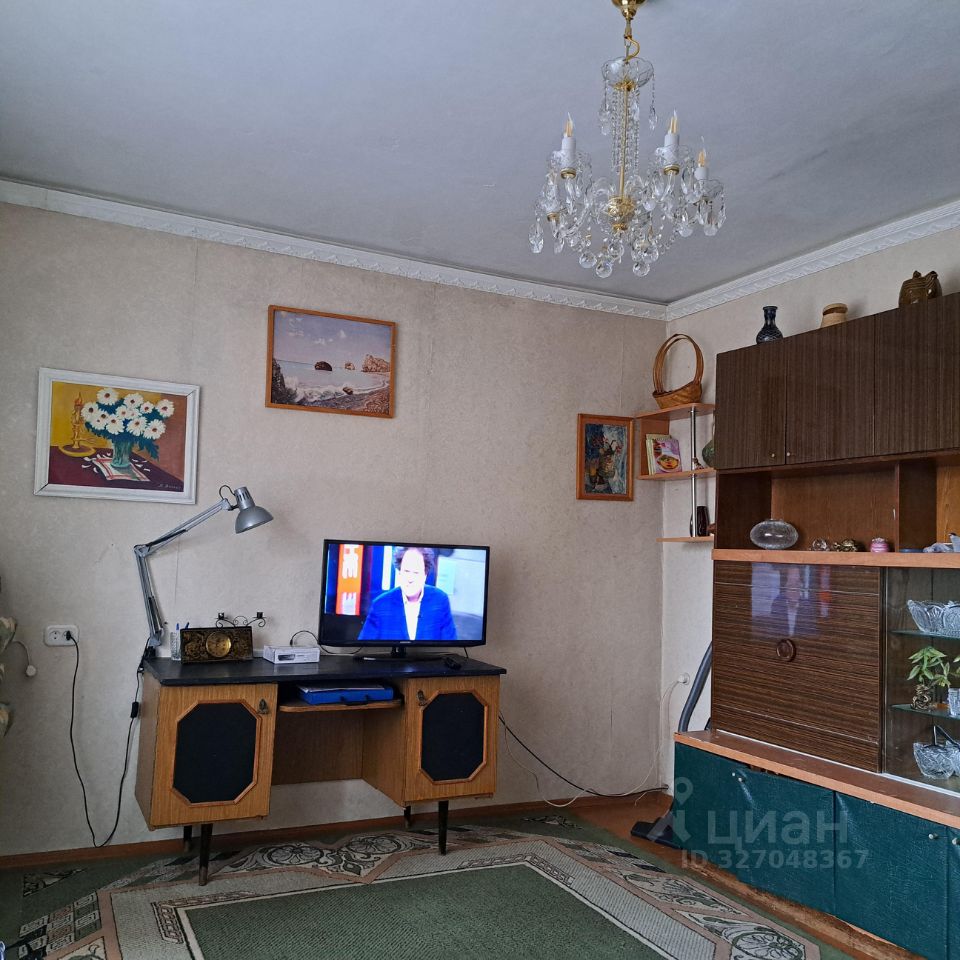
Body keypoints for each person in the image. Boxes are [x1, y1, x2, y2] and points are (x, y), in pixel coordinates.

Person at [358, 546, 457, 641]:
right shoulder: (380, 605)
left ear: (425, 575)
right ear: (399, 572)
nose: (410, 579)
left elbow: (450, 646)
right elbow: (364, 647)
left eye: (416, 573)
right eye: (406, 571)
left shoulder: (440, 601)